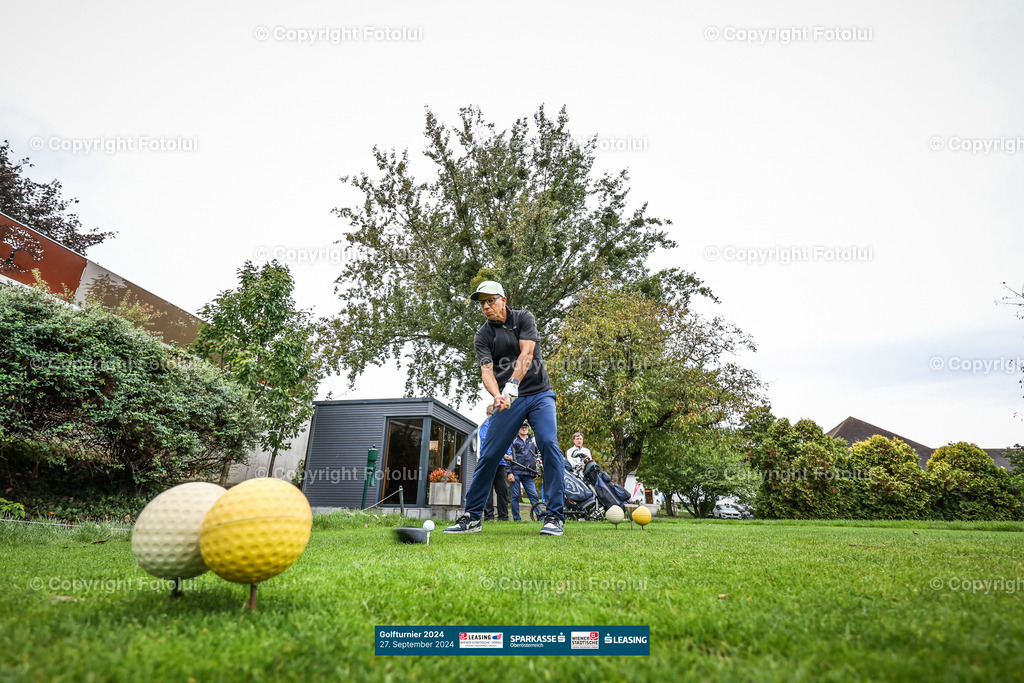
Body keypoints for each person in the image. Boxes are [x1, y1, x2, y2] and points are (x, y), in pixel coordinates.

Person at [446, 281, 566, 536]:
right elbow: (486, 370)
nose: (486, 306)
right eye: (482, 303)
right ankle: (473, 517)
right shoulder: (483, 335)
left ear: (503, 299)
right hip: (509, 400)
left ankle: (555, 516)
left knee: (548, 444)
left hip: (539, 394)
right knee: (490, 454)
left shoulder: (524, 318)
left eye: (490, 300)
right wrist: (497, 395)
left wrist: (511, 384)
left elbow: (527, 354)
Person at [509, 421, 542, 521]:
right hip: (516, 472)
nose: (524, 429)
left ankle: (540, 516)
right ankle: (516, 519)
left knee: (534, 495)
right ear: (518, 429)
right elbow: (509, 457)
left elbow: (539, 454)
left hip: (529, 472)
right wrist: (509, 472)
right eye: (522, 427)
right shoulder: (513, 441)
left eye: (526, 427)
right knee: (514, 497)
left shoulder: (533, 441)